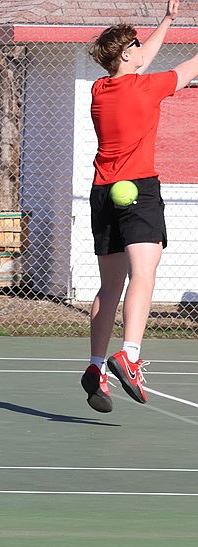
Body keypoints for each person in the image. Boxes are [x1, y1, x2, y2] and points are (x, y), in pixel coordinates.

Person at [81, 0, 197, 411]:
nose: (140, 49)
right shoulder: (147, 88)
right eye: (135, 43)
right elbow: (188, 68)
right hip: (139, 189)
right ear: (127, 53)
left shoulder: (100, 89)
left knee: (109, 285)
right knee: (144, 276)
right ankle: (129, 354)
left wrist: (167, 19)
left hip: (103, 191)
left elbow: (141, 59)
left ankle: (96, 366)